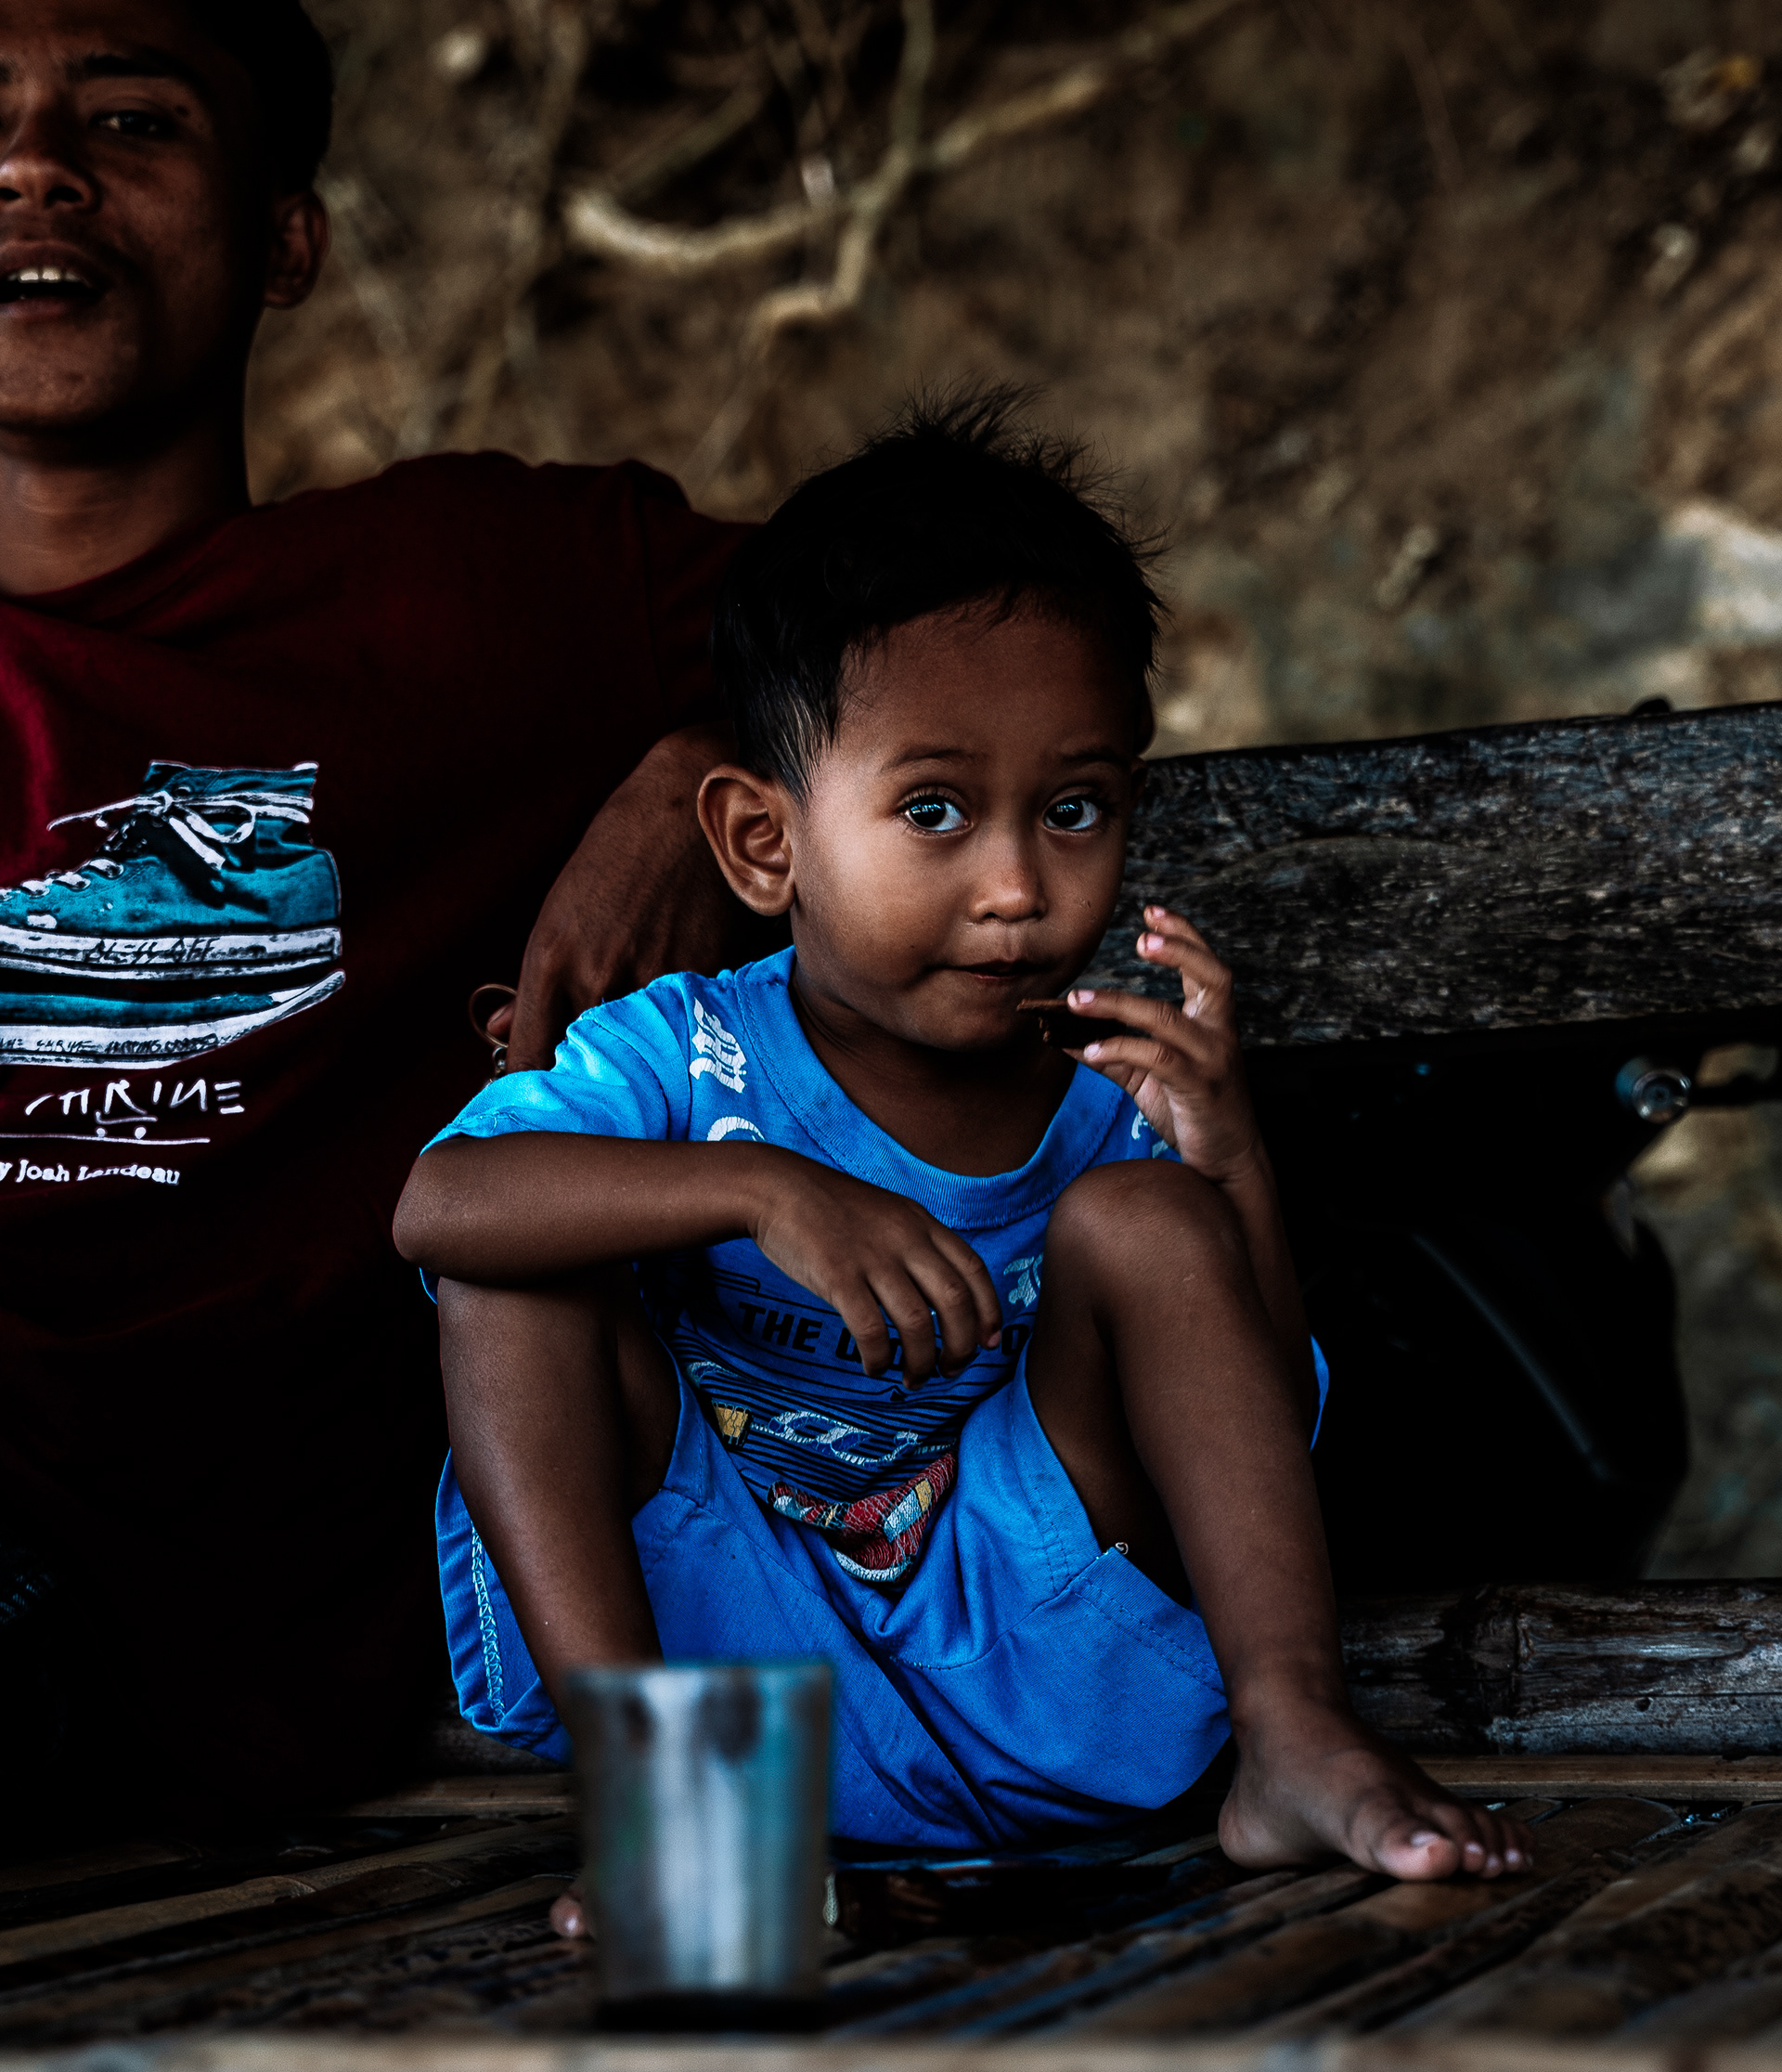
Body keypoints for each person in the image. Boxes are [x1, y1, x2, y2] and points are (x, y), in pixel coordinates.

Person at [395, 399, 1531, 1884]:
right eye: (933, 808)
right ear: (763, 844)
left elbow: (1269, 1419)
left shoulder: (1114, 1084)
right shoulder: (686, 1053)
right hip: (730, 1653)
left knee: (1150, 1221)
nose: (1015, 885)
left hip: (1040, 1651)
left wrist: (1229, 1165)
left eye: (1074, 809)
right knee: (513, 1266)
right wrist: (760, 1189)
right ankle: (663, 1812)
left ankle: (1295, 1739)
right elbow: (439, 1204)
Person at [0, 0, 755, 1817]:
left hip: (257, 1612)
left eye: (134, 120)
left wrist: (715, 769)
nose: (33, 165)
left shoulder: (487, 597)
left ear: (287, 240)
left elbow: (965, 610)